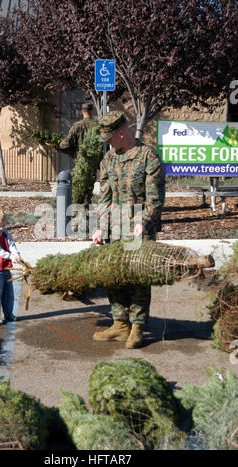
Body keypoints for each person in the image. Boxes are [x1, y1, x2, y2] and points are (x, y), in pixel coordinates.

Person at [92, 110, 165, 348]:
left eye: (109, 137)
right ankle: (120, 323)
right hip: (114, 230)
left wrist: (143, 223)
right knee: (114, 277)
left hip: (137, 229)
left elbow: (155, 199)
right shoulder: (109, 160)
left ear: (121, 132)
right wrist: (101, 227)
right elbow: (104, 197)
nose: (107, 143)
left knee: (137, 279)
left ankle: (137, 327)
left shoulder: (147, 157)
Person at [0, 209, 23, 325]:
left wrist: (16, 255)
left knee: (8, 294)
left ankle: (8, 314)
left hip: (7, 268)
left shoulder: (5, 233)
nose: (1, 228)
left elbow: (11, 245)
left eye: (3, 225)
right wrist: (11, 257)